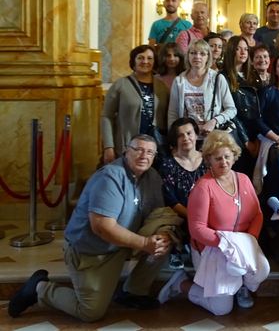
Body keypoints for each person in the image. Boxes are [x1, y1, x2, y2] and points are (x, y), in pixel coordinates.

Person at [9, 135, 171, 322]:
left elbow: (159, 214)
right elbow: (101, 228)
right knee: (90, 312)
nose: (144, 156)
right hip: (91, 251)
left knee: (165, 241)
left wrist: (162, 235)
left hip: (120, 245)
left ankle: (133, 292)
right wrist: (144, 243)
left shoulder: (153, 177)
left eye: (150, 152)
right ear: (127, 151)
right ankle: (40, 288)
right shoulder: (110, 177)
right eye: (138, 150)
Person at [158, 131, 269, 313]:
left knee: (262, 270)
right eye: (218, 158)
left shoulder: (244, 179)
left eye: (227, 156)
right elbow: (197, 229)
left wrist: (249, 241)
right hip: (212, 248)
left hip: (243, 243)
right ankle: (181, 283)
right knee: (221, 309)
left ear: (234, 155)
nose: (223, 162)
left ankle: (240, 286)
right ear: (209, 159)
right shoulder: (203, 187)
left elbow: (257, 214)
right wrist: (229, 245)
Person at [101, 45, 169, 164]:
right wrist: (108, 147)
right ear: (134, 61)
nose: (145, 61)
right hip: (126, 147)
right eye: (140, 58)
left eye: (149, 58)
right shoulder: (120, 84)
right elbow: (107, 116)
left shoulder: (163, 87)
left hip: (154, 149)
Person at [168, 39, 237, 146]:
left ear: (208, 57)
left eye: (202, 53)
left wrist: (214, 121)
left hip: (213, 138)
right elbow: (173, 114)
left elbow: (231, 109)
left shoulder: (217, 78)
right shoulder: (179, 81)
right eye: (193, 52)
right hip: (187, 140)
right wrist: (173, 143)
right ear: (188, 55)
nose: (197, 56)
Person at [159, 118, 207, 268]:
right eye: (180, 135)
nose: (185, 138)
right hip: (179, 214)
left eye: (189, 133)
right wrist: (192, 215)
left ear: (196, 135)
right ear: (175, 140)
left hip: (205, 214)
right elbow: (170, 199)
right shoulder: (168, 165)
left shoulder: (208, 160)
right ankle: (177, 249)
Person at [222, 35, 262, 175]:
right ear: (231, 51)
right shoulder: (223, 77)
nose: (243, 52)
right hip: (236, 132)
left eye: (245, 49)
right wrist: (245, 141)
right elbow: (229, 112)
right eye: (238, 49)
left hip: (255, 130)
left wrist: (259, 136)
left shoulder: (253, 74)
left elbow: (260, 107)